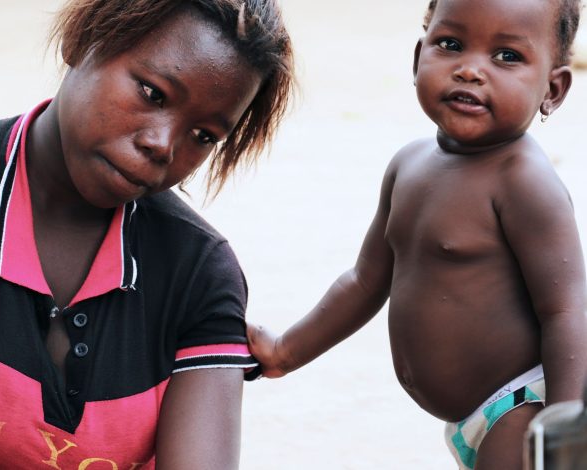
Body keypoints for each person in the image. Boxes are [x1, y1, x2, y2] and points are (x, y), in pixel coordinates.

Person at [0, 1, 294, 468]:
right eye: (152, 93)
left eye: (204, 135)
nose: (163, 144)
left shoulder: (200, 271)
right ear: (81, 41)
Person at [247, 0, 586, 468]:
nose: (470, 70)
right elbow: (366, 280)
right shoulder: (408, 165)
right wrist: (286, 351)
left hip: (522, 405)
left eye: (507, 56)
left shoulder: (525, 182)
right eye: (450, 44)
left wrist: (566, 426)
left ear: (552, 89)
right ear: (416, 59)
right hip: (471, 414)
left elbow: (567, 310)